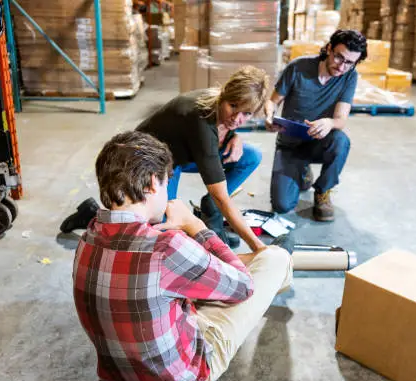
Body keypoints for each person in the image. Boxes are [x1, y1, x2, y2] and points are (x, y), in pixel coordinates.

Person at [72, 131, 293, 381]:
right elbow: (244, 286)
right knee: (275, 258)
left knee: (195, 273)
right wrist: (195, 226)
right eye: (166, 185)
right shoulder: (166, 247)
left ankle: (268, 277)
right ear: (153, 184)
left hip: (116, 377)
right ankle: (282, 274)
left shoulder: (88, 237)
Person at [61, 66, 270, 251]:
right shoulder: (200, 118)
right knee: (157, 226)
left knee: (252, 156)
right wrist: (257, 246)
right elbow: (221, 196)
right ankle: (92, 214)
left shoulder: (220, 109)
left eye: (247, 114)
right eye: (233, 106)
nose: (237, 118)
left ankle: (210, 211)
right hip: (149, 161)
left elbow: (225, 129)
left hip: (181, 152)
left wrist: (235, 136)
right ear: (224, 95)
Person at [264, 30, 367, 221]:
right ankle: (302, 172)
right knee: (282, 205)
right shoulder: (298, 67)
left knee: (340, 141)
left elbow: (340, 119)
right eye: (339, 57)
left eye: (350, 63)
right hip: (290, 144)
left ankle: (322, 190)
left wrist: (329, 122)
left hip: (319, 142)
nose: (342, 66)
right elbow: (273, 101)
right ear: (329, 48)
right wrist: (270, 116)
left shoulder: (349, 77)